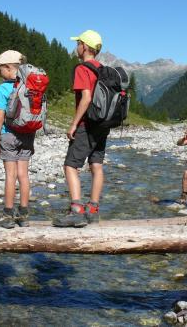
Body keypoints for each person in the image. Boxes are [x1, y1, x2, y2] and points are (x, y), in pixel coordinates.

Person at [53, 30, 109, 228]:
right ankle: (93, 210)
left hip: (87, 124)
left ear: (85, 46)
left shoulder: (82, 69)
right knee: (96, 165)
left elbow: (86, 98)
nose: (76, 47)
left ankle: (77, 210)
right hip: (102, 125)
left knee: (70, 165)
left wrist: (74, 124)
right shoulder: (102, 69)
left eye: (78, 43)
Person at [0, 50, 35, 229]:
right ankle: (24, 216)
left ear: (8, 68)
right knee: (23, 175)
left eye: (0, 70)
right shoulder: (30, 85)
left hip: (8, 135)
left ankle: (8, 215)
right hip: (28, 134)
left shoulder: (3, 88)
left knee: (10, 175)